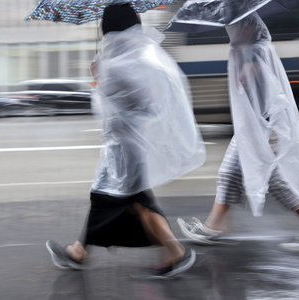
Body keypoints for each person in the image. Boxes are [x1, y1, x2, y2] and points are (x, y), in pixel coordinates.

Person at [46, 3, 206, 279]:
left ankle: (175, 251)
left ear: (108, 29)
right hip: (126, 147)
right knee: (108, 199)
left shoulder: (120, 65)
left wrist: (99, 77)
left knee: (132, 202)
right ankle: (79, 250)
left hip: (127, 149)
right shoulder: (142, 57)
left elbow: (111, 106)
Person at [178, 12, 299, 253]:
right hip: (253, 128)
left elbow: (271, 96)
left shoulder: (256, 52)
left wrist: (252, 74)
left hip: (261, 129)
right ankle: (214, 227)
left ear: (248, 27)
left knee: (273, 180)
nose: (230, 32)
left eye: (234, 27)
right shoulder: (250, 50)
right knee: (231, 174)